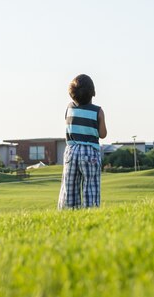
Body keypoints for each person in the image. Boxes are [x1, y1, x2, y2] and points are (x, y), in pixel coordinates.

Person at [57, 74, 107, 209]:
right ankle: (91, 211)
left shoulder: (69, 108)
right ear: (93, 92)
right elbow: (103, 134)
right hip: (90, 152)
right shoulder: (98, 111)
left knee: (69, 186)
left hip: (71, 151)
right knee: (91, 186)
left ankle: (68, 211)